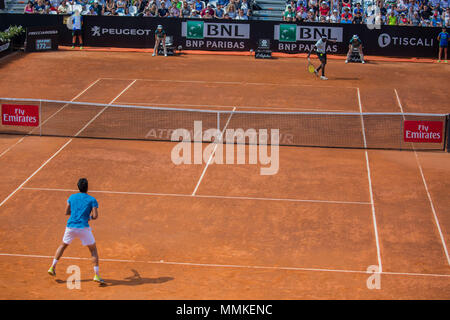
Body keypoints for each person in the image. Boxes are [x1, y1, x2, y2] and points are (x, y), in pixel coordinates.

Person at [48, 178, 104, 284]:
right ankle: (96, 275)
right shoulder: (92, 199)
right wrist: (88, 217)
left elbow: (67, 212)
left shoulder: (72, 197)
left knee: (63, 246)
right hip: (84, 228)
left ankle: (52, 267)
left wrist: (76, 214)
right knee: (93, 250)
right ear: (87, 187)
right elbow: (95, 216)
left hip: (71, 227)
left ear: (78, 187)